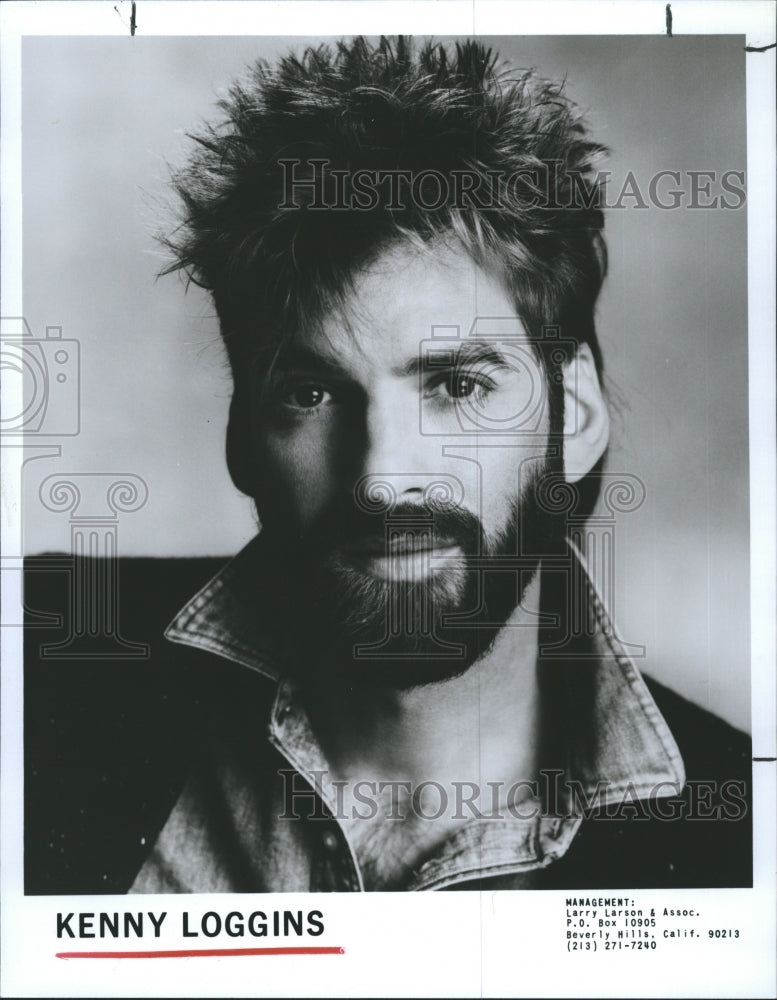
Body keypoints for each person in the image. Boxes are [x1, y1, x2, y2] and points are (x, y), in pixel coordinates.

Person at [27, 36, 751, 894]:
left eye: (455, 384)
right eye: (311, 395)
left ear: (577, 414)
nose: (382, 478)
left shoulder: (742, 837)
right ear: (241, 436)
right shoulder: (35, 670)